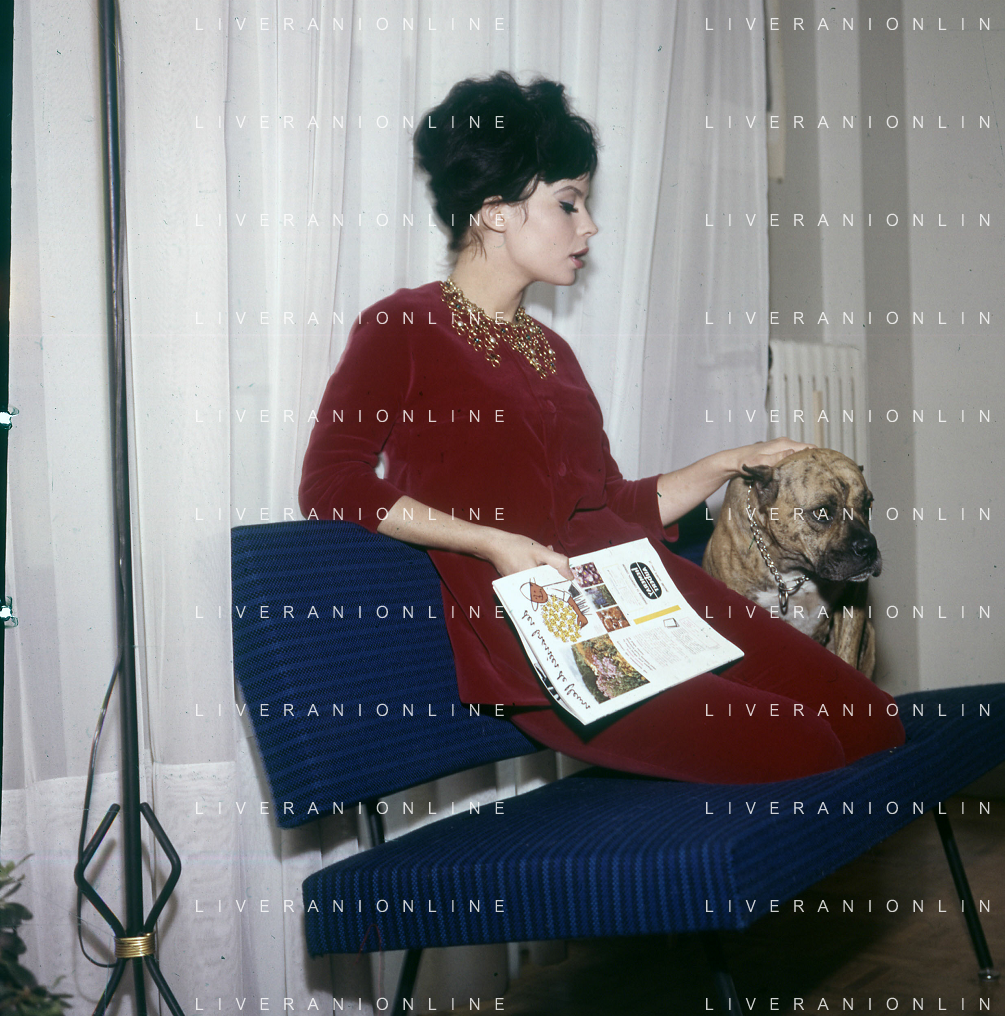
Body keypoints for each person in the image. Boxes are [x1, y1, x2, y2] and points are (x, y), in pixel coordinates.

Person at [299, 72, 904, 783]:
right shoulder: (403, 327)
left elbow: (611, 505)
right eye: (568, 203)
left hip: (641, 593)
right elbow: (329, 485)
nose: (588, 225)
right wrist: (491, 541)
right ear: (495, 212)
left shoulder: (552, 352)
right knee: (804, 746)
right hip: (544, 632)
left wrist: (729, 461)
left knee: (872, 722)